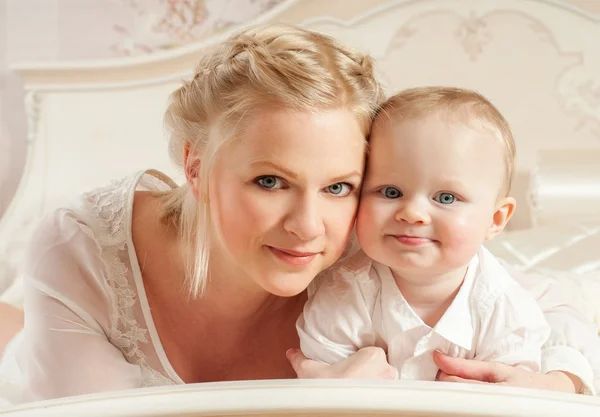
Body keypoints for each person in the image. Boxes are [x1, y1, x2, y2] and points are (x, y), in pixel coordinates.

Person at [0, 24, 597, 405]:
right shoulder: (80, 247)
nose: (310, 226)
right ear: (197, 166)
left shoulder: (374, 238)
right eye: (270, 181)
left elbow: (556, 296)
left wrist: (558, 382)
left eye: (339, 185)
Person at [297, 86, 552, 381]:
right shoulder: (344, 292)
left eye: (446, 198)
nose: (412, 213)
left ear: (495, 219)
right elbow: (320, 396)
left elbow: (515, 397)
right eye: (391, 192)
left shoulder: (506, 310)